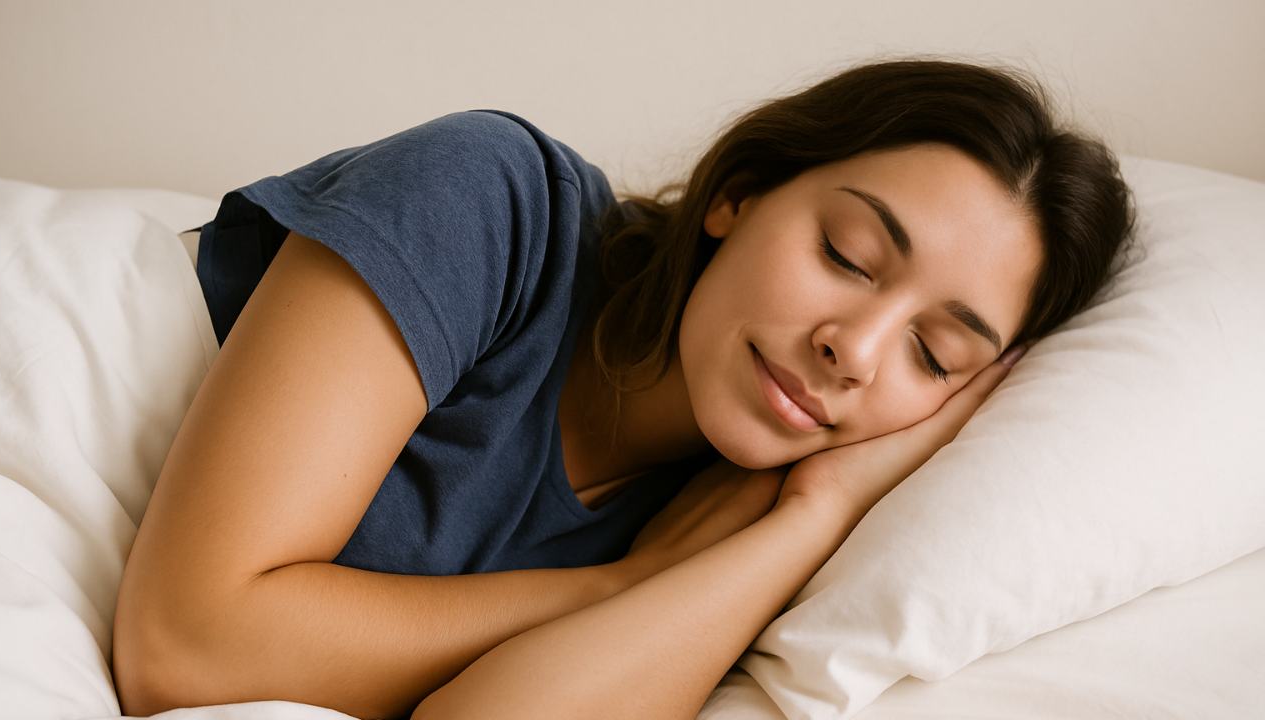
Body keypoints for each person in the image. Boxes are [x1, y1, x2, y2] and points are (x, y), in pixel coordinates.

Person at [112, 60, 1132, 719]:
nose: (852, 349)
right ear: (737, 192)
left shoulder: (730, 514)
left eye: (934, 357)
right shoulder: (492, 199)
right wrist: (611, 589)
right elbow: (184, 646)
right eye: (848, 254)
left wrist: (806, 526)